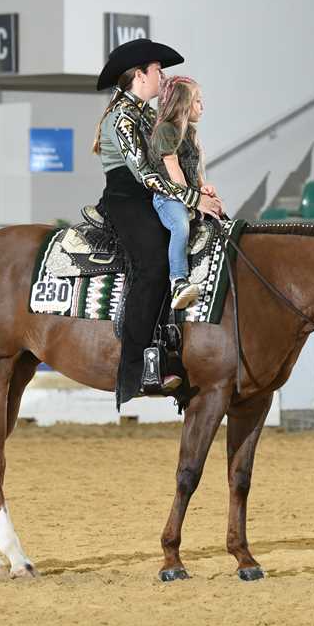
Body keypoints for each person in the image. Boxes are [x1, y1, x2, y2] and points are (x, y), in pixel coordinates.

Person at [92, 39, 223, 405]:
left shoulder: (148, 115)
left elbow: (170, 161)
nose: (161, 77)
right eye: (157, 70)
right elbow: (145, 174)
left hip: (156, 195)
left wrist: (198, 188)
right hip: (127, 199)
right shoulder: (121, 117)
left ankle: (176, 347)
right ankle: (136, 368)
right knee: (152, 263)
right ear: (139, 75)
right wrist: (194, 199)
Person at [149, 75, 221, 310]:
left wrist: (203, 188)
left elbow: (193, 169)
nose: (202, 106)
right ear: (183, 104)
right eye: (197, 101)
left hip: (189, 195)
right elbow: (175, 172)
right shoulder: (166, 131)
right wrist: (194, 199)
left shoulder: (189, 132)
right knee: (180, 225)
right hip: (169, 198)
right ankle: (178, 280)